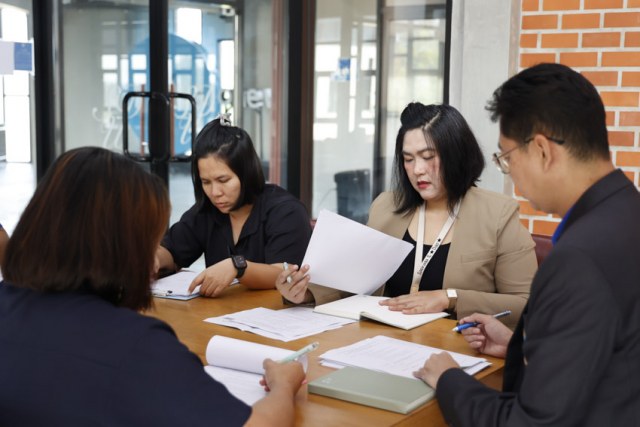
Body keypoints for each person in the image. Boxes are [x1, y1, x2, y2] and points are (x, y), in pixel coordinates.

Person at [0, 147, 305, 427]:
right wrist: (283, 384)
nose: (153, 262)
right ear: (119, 245)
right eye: (147, 240)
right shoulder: (137, 347)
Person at [414, 63, 640, 426]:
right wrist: (518, 348)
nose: (511, 174)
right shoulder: (627, 213)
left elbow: (531, 422)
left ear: (542, 151)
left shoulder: (578, 259)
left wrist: (449, 379)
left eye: (506, 159)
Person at [278, 103, 537, 328]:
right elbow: (355, 281)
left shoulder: (498, 213)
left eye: (428, 157)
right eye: (409, 159)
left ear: (457, 155)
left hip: (452, 347)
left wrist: (450, 298)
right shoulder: (386, 206)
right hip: (381, 341)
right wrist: (303, 293)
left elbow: (527, 304)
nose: (417, 170)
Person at [156, 115, 312, 298]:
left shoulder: (286, 211)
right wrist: (152, 259)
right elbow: (172, 252)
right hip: (220, 312)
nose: (215, 192)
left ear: (247, 173)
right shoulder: (207, 211)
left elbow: (283, 274)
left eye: (223, 180)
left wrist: (237, 266)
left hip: (276, 312)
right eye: (206, 182)